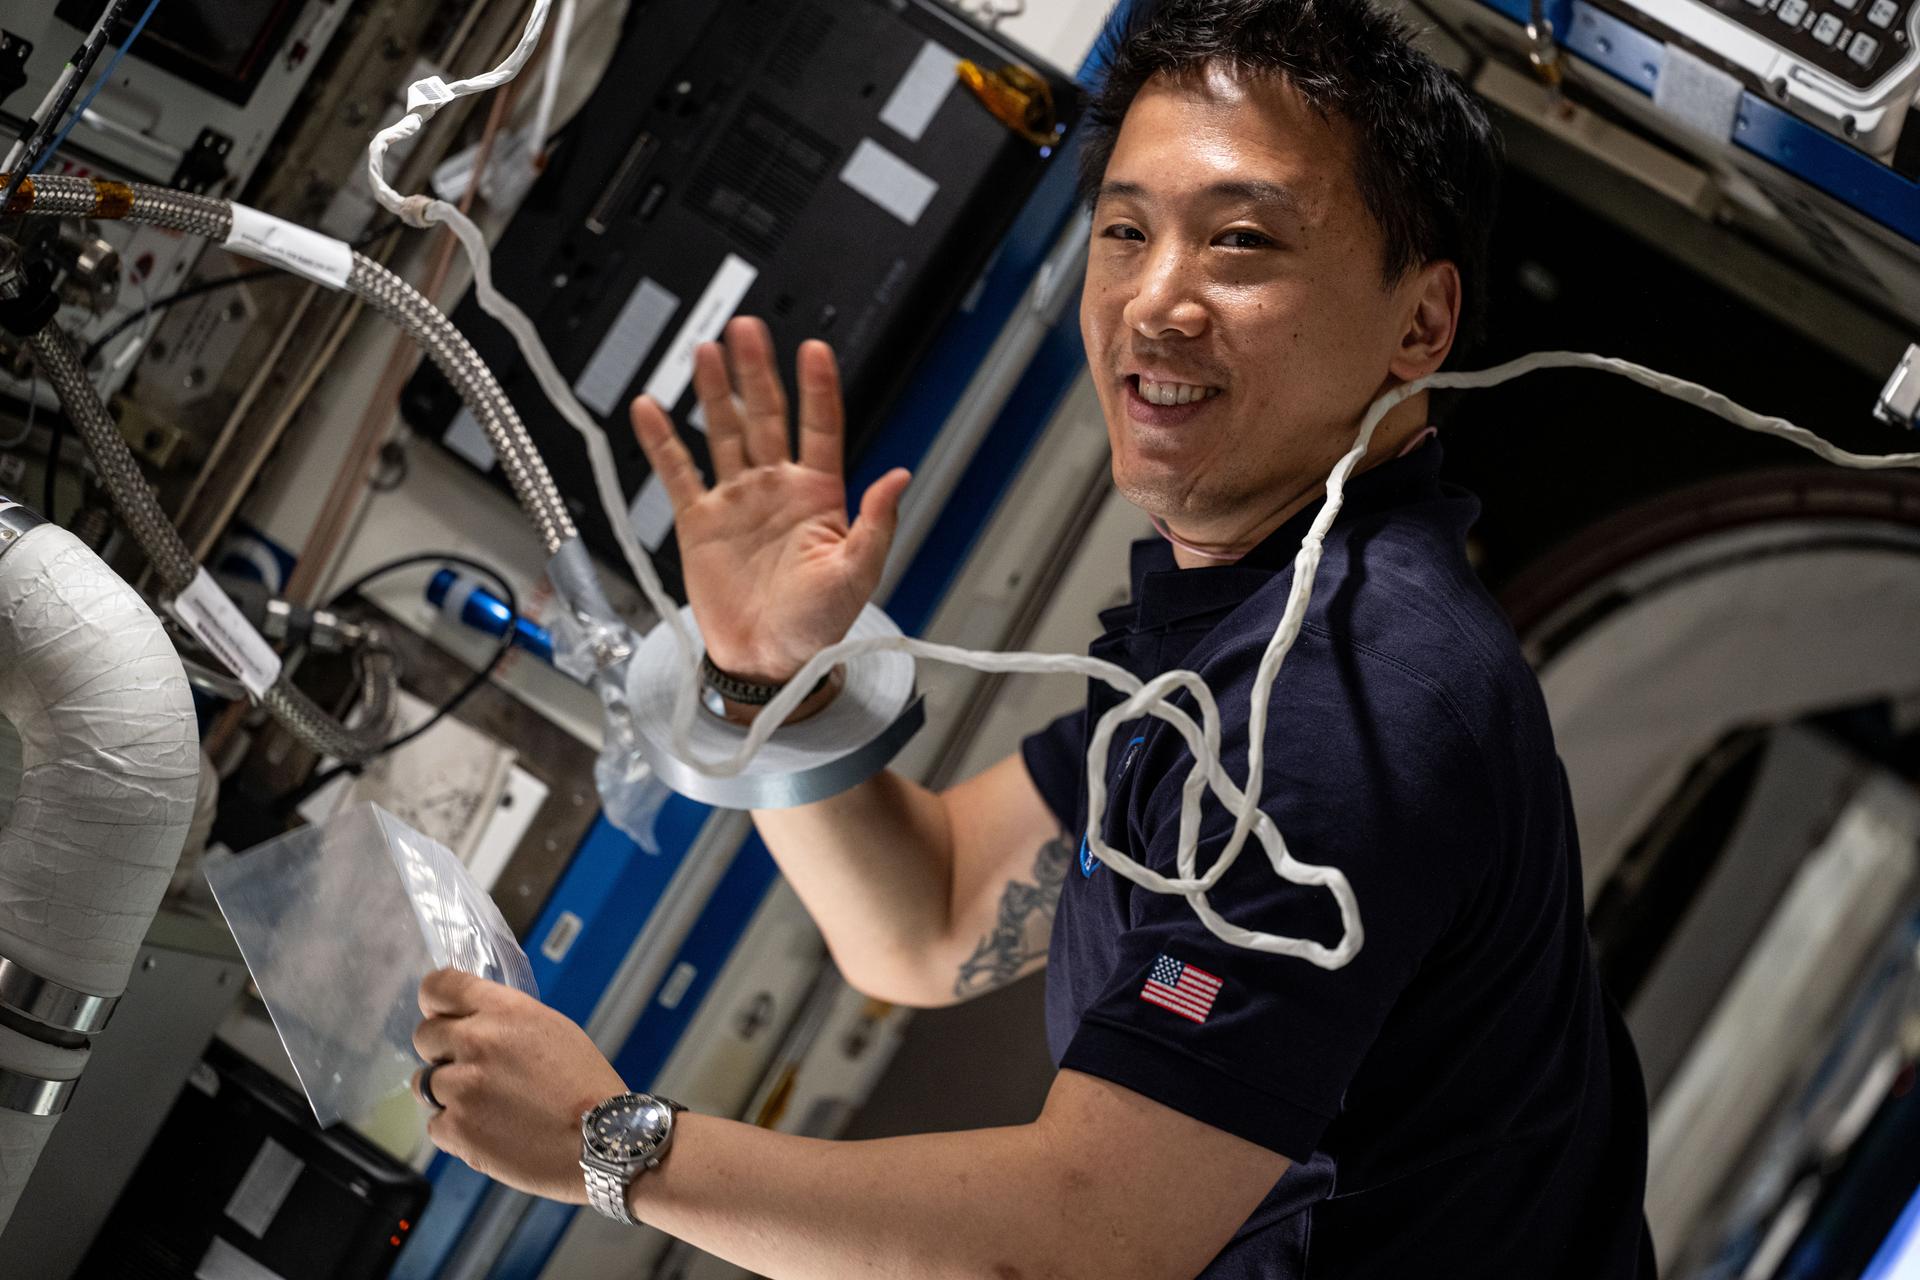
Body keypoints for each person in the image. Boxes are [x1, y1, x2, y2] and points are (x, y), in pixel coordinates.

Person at [408, 0, 1657, 1273]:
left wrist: (603, 1143)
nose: (1155, 300)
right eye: (1124, 231)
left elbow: (1073, 1243)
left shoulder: (1346, 697)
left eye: (1239, 240)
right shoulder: (1247, 631)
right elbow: (932, 915)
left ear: (1421, 324)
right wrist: (765, 681)